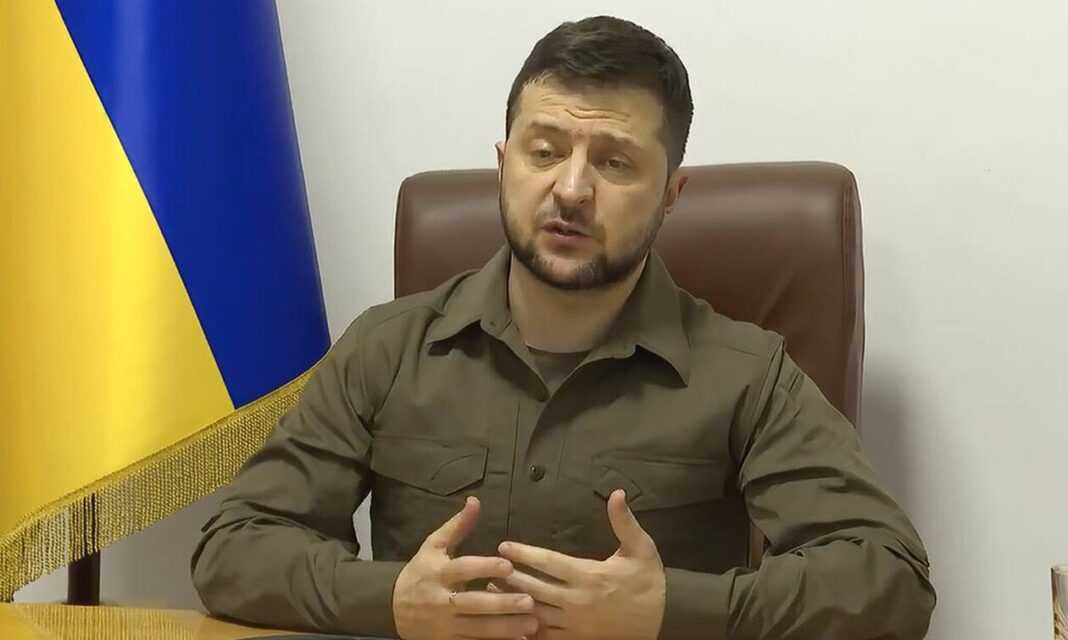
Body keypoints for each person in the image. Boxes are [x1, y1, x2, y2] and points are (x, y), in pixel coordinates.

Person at [192, 15, 935, 640]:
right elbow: (233, 549)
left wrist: (670, 610)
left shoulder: (744, 371)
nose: (572, 189)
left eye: (615, 163)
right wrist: (390, 601)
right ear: (503, 164)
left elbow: (890, 579)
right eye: (544, 152)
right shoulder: (387, 349)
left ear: (670, 195)